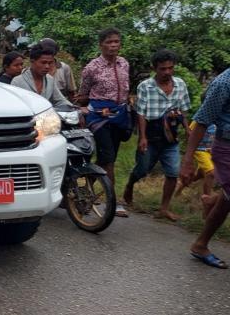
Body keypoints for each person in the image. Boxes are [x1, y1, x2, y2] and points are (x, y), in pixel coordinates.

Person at [123, 49, 191, 221]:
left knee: (172, 173)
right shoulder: (145, 86)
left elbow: (183, 109)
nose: (167, 72)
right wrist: (143, 137)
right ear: (155, 68)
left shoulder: (180, 84)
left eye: (170, 68)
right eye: (163, 69)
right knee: (143, 169)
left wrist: (188, 129)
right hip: (151, 134)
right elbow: (141, 114)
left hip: (171, 136)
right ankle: (130, 185)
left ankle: (164, 208)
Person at [78, 28, 132, 217]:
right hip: (99, 117)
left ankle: (82, 193)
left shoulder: (124, 63)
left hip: (120, 115)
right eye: (109, 42)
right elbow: (82, 95)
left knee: (106, 159)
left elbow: (126, 90)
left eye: (116, 42)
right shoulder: (92, 67)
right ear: (101, 44)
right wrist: (85, 110)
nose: (113, 46)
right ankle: (113, 203)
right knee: (108, 159)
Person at [180, 67, 230, 269]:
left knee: (228, 198)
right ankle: (200, 245)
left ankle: (212, 201)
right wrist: (188, 160)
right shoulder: (223, 83)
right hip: (226, 148)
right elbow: (201, 122)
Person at [175, 118, 217, 219]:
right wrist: (190, 154)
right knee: (211, 173)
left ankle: (180, 187)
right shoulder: (203, 117)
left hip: (211, 151)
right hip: (200, 150)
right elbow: (190, 133)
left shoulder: (222, 118)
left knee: (199, 175)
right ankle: (207, 206)